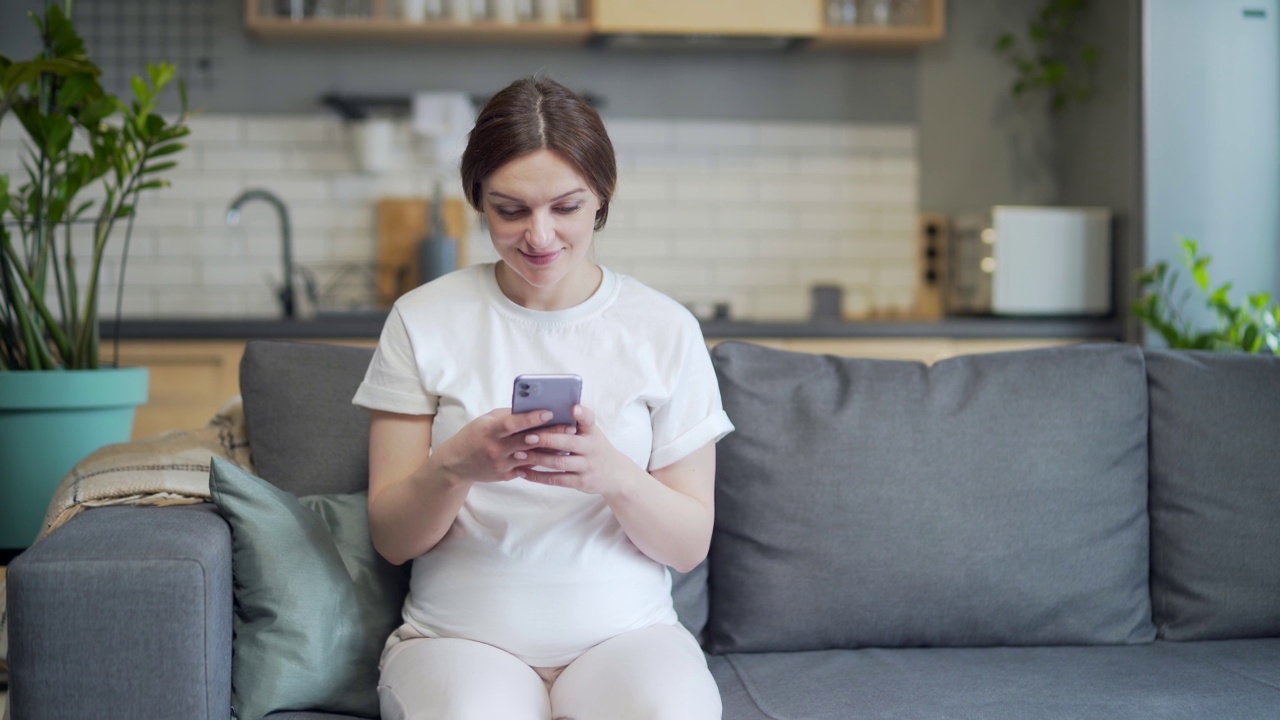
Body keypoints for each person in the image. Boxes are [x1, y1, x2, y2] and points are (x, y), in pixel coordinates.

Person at [352, 75, 735, 720]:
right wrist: (456, 466)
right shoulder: (422, 320)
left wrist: (613, 475)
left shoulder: (665, 329)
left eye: (566, 208)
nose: (539, 236)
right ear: (477, 200)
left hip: (627, 639)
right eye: (510, 209)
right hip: (460, 641)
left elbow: (689, 545)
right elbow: (392, 538)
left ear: (601, 200)